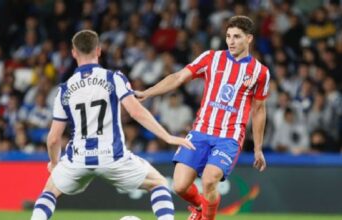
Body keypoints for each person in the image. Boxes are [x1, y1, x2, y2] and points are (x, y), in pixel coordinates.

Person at [30, 30, 195, 220]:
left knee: (50, 191)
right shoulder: (113, 78)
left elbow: (53, 139)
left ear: (74, 52)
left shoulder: (64, 90)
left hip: (78, 157)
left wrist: (54, 163)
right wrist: (167, 136)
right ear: (99, 51)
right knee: (158, 183)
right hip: (112, 155)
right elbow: (136, 111)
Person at [136, 16, 269, 220]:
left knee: (209, 180)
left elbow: (259, 110)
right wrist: (148, 92)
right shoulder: (211, 58)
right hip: (200, 132)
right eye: (228, 36)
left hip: (229, 136)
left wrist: (258, 148)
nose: (231, 41)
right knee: (179, 186)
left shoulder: (260, 72)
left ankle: (207, 217)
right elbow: (179, 77)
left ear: (249, 38)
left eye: (237, 37)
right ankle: (201, 206)